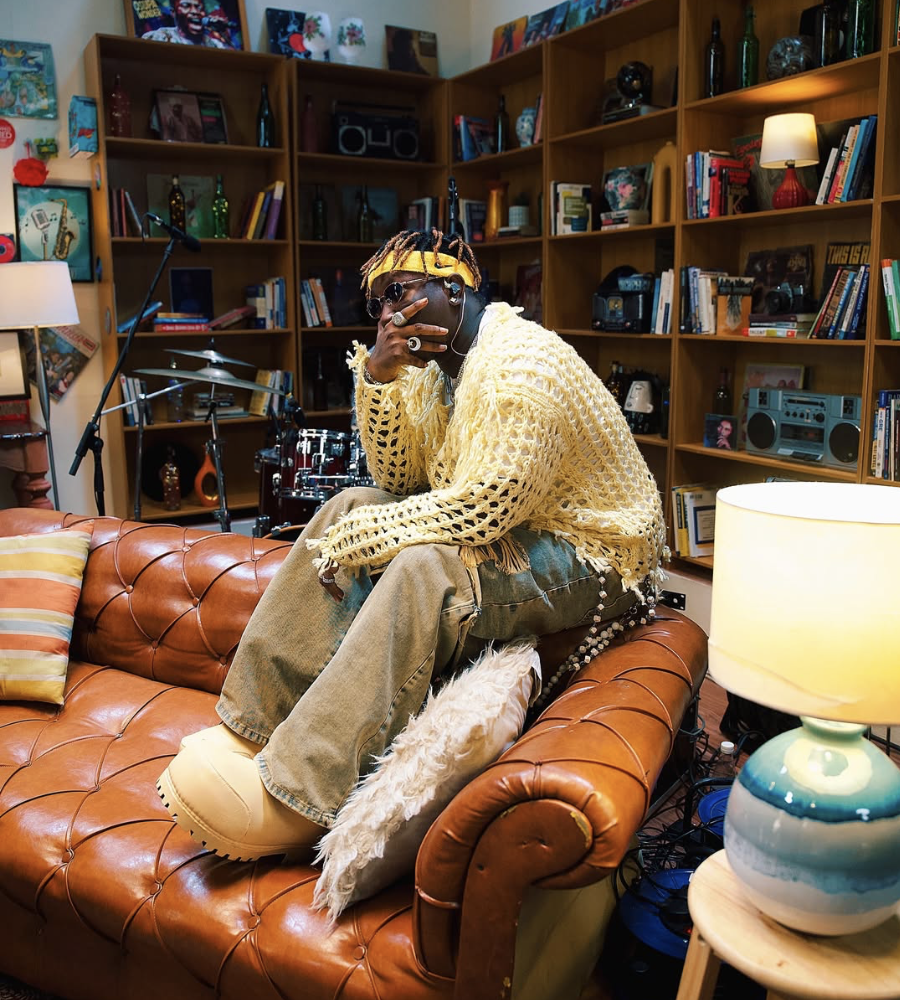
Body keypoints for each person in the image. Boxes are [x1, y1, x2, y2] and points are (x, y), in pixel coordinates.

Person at [157, 228, 667, 862]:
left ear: (453, 289)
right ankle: (252, 725)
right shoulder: (433, 367)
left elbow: (483, 507)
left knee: (425, 568)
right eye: (377, 303)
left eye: (399, 293)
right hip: (518, 525)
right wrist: (379, 377)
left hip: (594, 550)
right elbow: (398, 479)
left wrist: (367, 540)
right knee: (347, 505)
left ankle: (300, 791)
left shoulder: (519, 365)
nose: (387, 314)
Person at [141, 0, 228, 48]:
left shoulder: (215, 45)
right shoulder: (159, 38)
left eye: (199, 7)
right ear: (173, 12)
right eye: (186, 6)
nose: (195, 11)